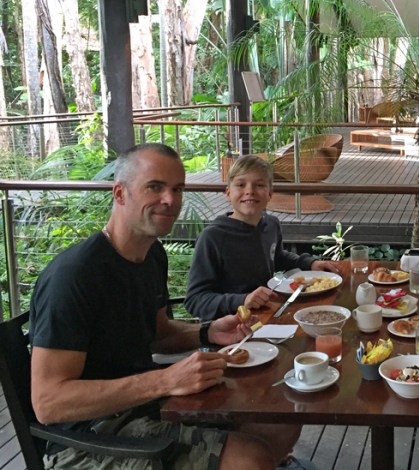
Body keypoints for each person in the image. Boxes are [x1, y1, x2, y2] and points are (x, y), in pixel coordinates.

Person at [29, 144, 303, 469]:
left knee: (283, 418)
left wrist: (209, 331)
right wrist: (164, 381)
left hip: (151, 405)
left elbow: (159, 334)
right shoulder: (75, 275)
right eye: (155, 187)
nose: (170, 200)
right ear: (120, 194)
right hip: (90, 438)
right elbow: (48, 403)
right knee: (250, 458)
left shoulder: (151, 256)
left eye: (177, 189)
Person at [184, 155, 340, 321]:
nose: (250, 190)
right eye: (241, 184)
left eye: (259, 185)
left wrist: (309, 263)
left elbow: (277, 257)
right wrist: (242, 300)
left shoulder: (271, 225)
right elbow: (195, 300)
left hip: (265, 316)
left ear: (270, 194)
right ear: (228, 193)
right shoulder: (212, 237)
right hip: (228, 327)